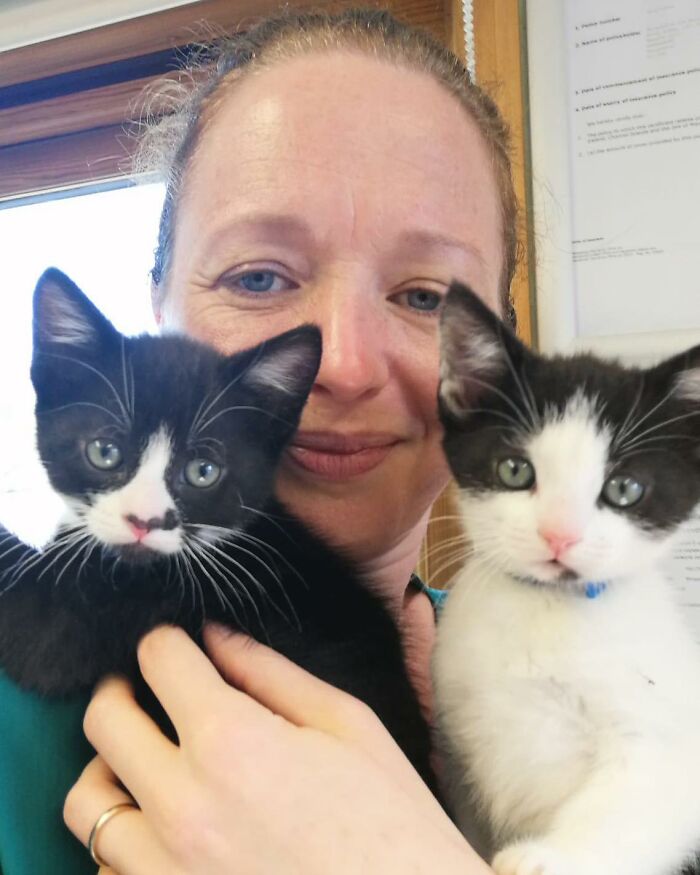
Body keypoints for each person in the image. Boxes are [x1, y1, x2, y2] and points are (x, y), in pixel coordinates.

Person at [5, 8, 520, 873]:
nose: (343, 365)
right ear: (157, 312)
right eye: (258, 275)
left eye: (427, 295)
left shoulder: (630, 709)